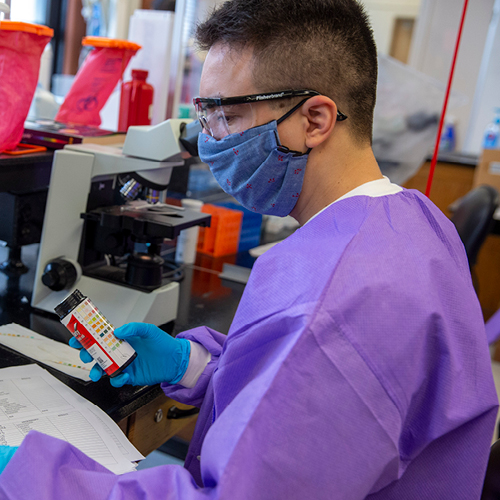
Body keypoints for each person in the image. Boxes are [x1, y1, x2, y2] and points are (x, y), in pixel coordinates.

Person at [0, 0, 498, 498]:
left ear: (315, 119)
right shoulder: (415, 220)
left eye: (228, 116)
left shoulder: (335, 305)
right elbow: (306, 406)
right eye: (206, 116)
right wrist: (191, 364)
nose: (211, 141)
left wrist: (35, 476)